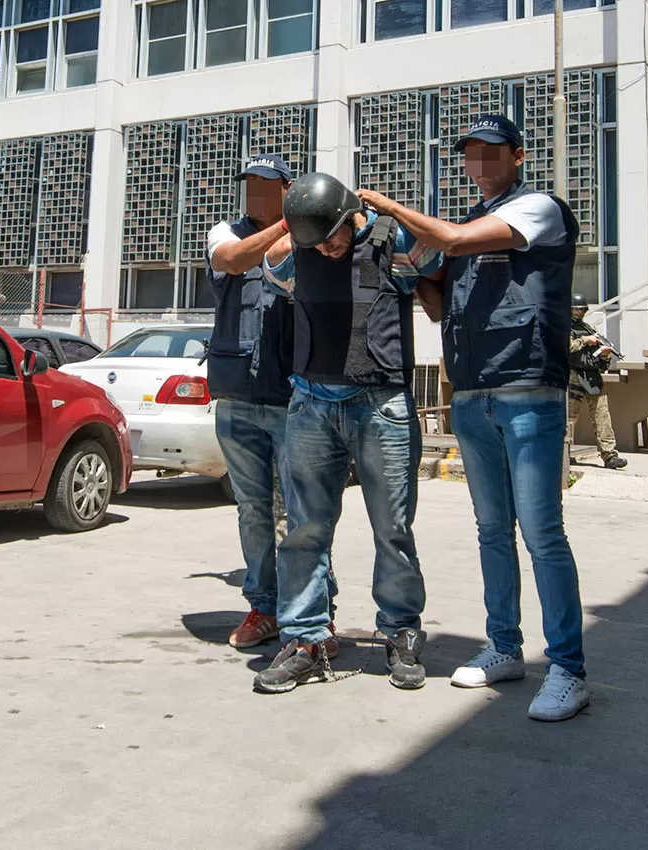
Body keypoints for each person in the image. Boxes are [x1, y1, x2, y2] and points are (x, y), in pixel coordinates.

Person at [357, 114, 590, 721]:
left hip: (526, 389)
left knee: (542, 533)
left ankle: (567, 668)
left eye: (491, 152)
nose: (479, 163)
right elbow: (438, 305)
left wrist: (388, 207)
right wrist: (413, 275)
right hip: (471, 393)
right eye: (470, 154)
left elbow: (458, 242)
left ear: (517, 154)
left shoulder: (538, 208)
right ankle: (504, 648)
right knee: (491, 531)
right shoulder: (462, 228)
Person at [252, 172, 441, 695]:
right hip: (311, 403)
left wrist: (390, 213)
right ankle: (306, 638)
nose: (329, 251)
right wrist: (294, 231)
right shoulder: (300, 248)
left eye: (333, 237)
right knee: (305, 530)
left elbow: (435, 260)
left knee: (393, 528)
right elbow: (271, 267)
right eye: (317, 241)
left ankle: (401, 630)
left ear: (349, 216)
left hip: (382, 403)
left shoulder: (391, 242)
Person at [206, 154, 341, 657]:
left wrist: (303, 225)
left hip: (294, 398)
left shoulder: (311, 237)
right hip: (237, 396)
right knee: (253, 512)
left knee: (302, 513)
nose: (254, 194)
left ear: (286, 187)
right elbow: (233, 260)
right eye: (249, 185)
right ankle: (264, 606)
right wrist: (289, 221)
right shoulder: (227, 232)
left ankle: (315, 613)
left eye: (266, 185)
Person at [568, 293, 626, 469]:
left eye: (583, 309)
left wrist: (605, 356)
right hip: (573, 377)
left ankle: (609, 455)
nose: (580, 312)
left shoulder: (588, 328)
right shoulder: (564, 327)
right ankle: (562, 453)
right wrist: (585, 340)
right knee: (569, 419)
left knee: (602, 416)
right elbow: (567, 347)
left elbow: (601, 364)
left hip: (592, 377)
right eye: (576, 309)